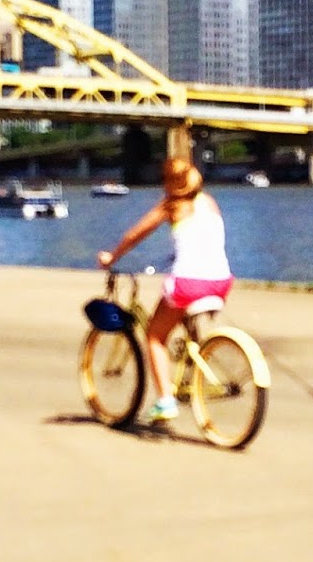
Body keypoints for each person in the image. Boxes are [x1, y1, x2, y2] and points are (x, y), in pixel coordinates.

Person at [98, 156, 233, 423]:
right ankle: (192, 364)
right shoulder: (209, 202)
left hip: (188, 283)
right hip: (222, 280)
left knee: (154, 337)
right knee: (181, 314)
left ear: (169, 183)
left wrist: (111, 258)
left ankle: (165, 401)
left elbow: (135, 235)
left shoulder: (171, 206)